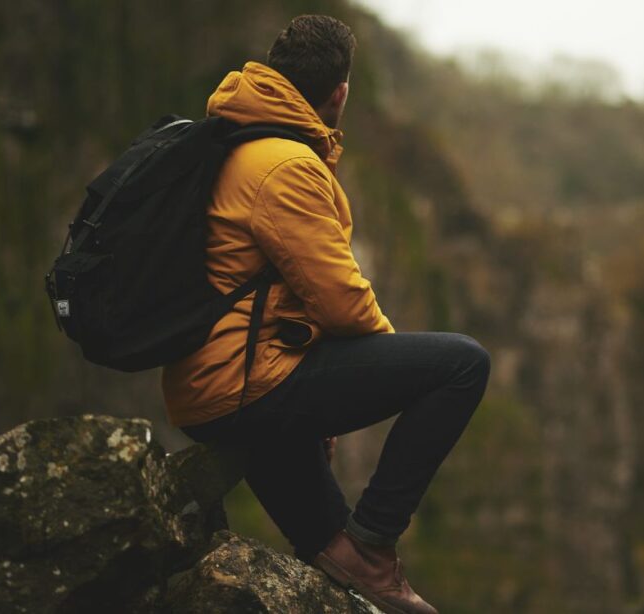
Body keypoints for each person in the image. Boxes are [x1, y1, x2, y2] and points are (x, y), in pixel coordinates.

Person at [161, 14, 490, 614]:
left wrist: (324, 391)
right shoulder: (284, 165)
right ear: (339, 92)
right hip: (243, 388)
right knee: (461, 364)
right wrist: (377, 369)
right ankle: (377, 541)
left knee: (334, 559)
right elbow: (341, 300)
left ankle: (358, 557)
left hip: (219, 387)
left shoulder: (235, 141)